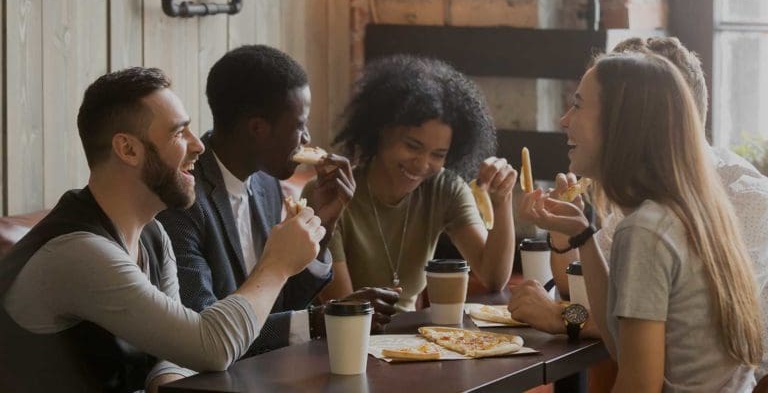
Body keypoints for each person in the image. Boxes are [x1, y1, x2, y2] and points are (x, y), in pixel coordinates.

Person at [0, 67, 325, 393]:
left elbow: (171, 350)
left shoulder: (153, 235)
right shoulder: (78, 252)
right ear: (128, 150)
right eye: (178, 133)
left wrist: (166, 382)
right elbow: (211, 347)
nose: (198, 145)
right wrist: (277, 265)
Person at [508, 37, 768, 381]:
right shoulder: (684, 209)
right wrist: (583, 237)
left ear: (622, 126)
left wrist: (564, 318)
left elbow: (637, 386)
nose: (563, 120)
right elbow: (620, 343)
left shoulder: (647, 230)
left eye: (579, 105)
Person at [157, 45, 399, 353]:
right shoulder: (182, 200)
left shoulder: (266, 182)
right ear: (258, 128)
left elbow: (278, 304)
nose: (307, 139)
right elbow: (207, 329)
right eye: (299, 125)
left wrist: (323, 222)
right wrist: (320, 321)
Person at [309, 55, 518, 311]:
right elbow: (342, 310)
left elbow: (493, 278)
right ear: (381, 130)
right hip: (344, 340)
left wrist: (502, 200)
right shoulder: (330, 193)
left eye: (438, 155)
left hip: (413, 342)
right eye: (412, 146)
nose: (422, 164)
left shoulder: (445, 189)